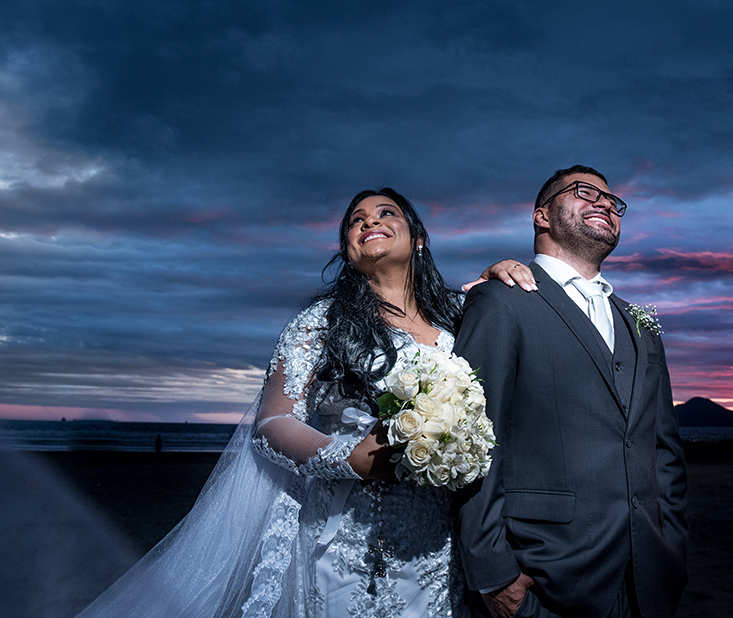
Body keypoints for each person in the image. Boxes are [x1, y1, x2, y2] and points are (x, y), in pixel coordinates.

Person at [74, 187, 530, 618]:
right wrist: (348, 457)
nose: (370, 220)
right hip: (349, 539)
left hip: (444, 542)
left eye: (386, 213)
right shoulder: (321, 322)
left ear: (420, 238)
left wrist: (499, 275)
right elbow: (273, 421)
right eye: (357, 220)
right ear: (348, 251)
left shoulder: (460, 313)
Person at [453, 166, 689, 618]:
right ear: (542, 215)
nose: (604, 203)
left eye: (612, 201)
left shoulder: (639, 323)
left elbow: (664, 447)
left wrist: (672, 541)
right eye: (585, 192)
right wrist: (492, 572)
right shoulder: (500, 301)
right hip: (545, 578)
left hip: (649, 581)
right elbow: (474, 444)